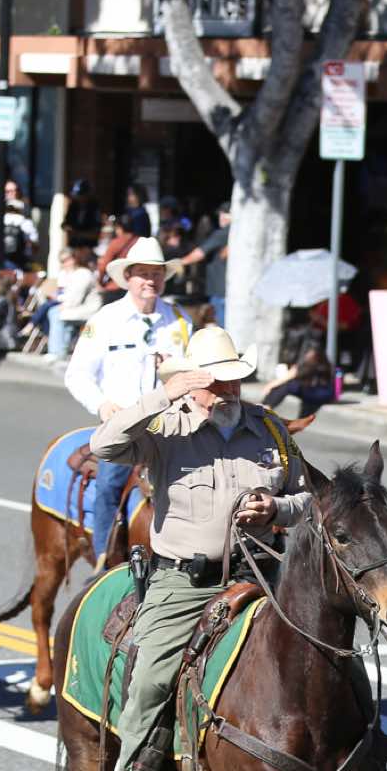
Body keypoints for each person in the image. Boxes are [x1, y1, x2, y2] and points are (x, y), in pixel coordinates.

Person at [87, 329, 308, 771]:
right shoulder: (165, 427)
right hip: (184, 582)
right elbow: (104, 445)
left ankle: (365, 761)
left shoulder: (270, 429)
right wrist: (162, 395)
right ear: (192, 383)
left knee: (326, 645)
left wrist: (276, 509)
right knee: (151, 677)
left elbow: (307, 498)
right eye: (215, 381)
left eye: (234, 379)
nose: (228, 390)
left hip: (261, 572)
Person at [65, 238, 193, 560]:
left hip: (169, 426)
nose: (150, 280)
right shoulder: (106, 319)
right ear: (128, 277)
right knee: (110, 484)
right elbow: (77, 375)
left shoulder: (180, 321)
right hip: (123, 424)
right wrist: (102, 405)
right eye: (143, 273)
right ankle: (105, 562)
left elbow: (194, 373)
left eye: (157, 273)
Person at [261, 330, 337, 418]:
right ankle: (265, 406)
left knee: (288, 385)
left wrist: (270, 385)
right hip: (325, 395)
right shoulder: (326, 363)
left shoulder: (310, 362)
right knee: (289, 385)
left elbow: (289, 376)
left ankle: (266, 406)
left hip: (317, 394)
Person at [45, 248, 100, 363]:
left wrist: (63, 304)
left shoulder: (83, 274)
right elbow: (65, 293)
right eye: (62, 261)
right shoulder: (69, 274)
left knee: (55, 313)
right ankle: (60, 349)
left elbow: (74, 299)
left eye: (67, 259)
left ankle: (56, 351)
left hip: (88, 310)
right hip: (77, 308)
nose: (65, 263)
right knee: (54, 312)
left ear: (75, 259)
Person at [177, 204, 232, 319]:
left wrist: (179, 262)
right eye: (220, 214)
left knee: (222, 326)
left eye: (223, 214)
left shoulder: (224, 233)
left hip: (220, 291)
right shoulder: (236, 233)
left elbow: (200, 253)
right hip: (228, 290)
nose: (221, 218)